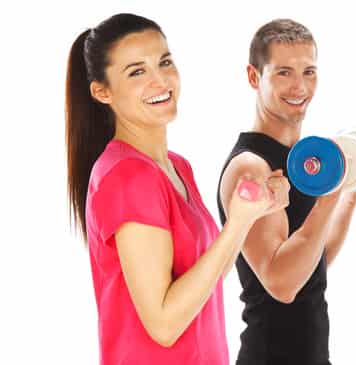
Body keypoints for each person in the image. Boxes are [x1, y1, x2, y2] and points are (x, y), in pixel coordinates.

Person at [65, 13, 286, 365]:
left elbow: (205, 280)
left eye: (164, 62)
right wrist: (234, 225)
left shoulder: (175, 166)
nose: (161, 80)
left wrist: (250, 216)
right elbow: (164, 324)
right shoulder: (128, 177)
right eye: (137, 72)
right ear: (101, 91)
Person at [217, 19, 356, 365]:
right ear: (255, 77)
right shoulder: (251, 167)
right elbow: (281, 284)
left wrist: (352, 188)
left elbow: (315, 258)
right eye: (284, 72)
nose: (300, 86)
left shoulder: (303, 161)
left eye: (309, 72)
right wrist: (330, 193)